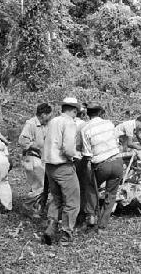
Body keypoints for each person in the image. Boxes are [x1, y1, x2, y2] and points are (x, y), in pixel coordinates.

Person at [42, 97, 80, 245]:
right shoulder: (69, 122)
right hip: (63, 166)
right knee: (72, 202)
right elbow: (68, 148)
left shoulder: (53, 121)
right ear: (74, 110)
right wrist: (75, 156)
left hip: (50, 166)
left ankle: (51, 228)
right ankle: (66, 236)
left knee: (56, 199)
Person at [81, 102, 123, 231]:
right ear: (100, 113)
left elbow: (87, 154)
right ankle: (103, 224)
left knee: (90, 188)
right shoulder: (109, 123)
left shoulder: (85, 129)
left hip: (101, 165)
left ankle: (91, 216)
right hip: (117, 162)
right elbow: (116, 142)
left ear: (88, 114)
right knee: (111, 194)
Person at [18, 103, 52, 217]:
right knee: (40, 186)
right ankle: (28, 205)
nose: (49, 118)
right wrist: (36, 146)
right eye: (48, 116)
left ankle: (35, 208)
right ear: (43, 115)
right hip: (32, 158)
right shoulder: (31, 123)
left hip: (41, 159)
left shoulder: (45, 125)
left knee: (40, 186)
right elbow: (22, 141)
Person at [74, 103, 90, 225]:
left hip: (65, 159)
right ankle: (80, 215)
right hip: (79, 158)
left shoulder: (63, 122)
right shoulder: (84, 125)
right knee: (83, 187)